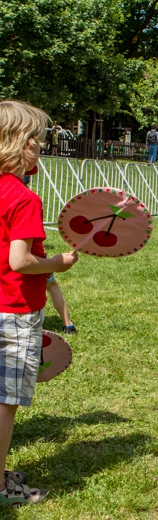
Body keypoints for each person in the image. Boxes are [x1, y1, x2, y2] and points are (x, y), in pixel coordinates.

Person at [1, 100, 80, 505]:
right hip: (13, 310)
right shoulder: (23, 198)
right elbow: (21, 261)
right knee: (6, 398)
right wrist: (58, 263)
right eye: (39, 141)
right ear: (21, 144)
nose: (42, 148)